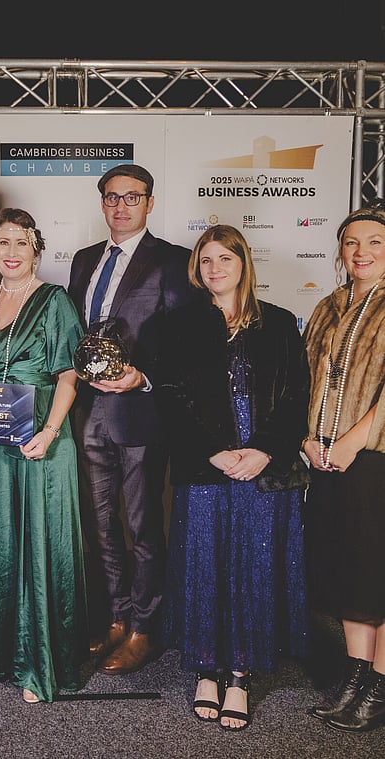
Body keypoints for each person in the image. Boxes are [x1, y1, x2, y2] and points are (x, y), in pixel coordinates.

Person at [157, 224, 310, 731]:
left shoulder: (280, 322)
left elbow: (297, 397)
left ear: (244, 263)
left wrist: (264, 450)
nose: (215, 268)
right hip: (206, 463)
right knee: (204, 562)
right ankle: (206, 670)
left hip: (264, 466)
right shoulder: (179, 324)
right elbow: (171, 399)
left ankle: (240, 675)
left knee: (253, 565)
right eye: (206, 260)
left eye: (225, 258)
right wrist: (214, 452)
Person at [0, 207, 89, 704]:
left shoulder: (55, 301)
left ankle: (36, 662)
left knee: (38, 543)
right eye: (2, 242)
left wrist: (49, 432)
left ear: (36, 251)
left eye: (21, 243)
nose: (11, 252)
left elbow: (69, 374)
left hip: (40, 439)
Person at [67, 163, 193, 675]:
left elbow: (185, 341)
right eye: (112, 197)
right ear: (102, 203)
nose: (121, 206)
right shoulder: (84, 260)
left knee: (142, 527)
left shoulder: (173, 261)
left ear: (150, 202)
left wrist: (143, 377)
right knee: (100, 525)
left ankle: (145, 628)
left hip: (140, 411)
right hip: (87, 411)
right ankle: (117, 617)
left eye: (132, 197)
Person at [302, 199, 385, 733]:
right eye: (352, 242)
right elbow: (305, 379)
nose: (362, 251)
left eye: (375, 242)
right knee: (352, 575)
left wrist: (354, 441)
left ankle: (378, 686)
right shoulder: (327, 306)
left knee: (379, 574)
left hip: (374, 460)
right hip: (327, 460)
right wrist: (307, 440)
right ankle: (356, 677)